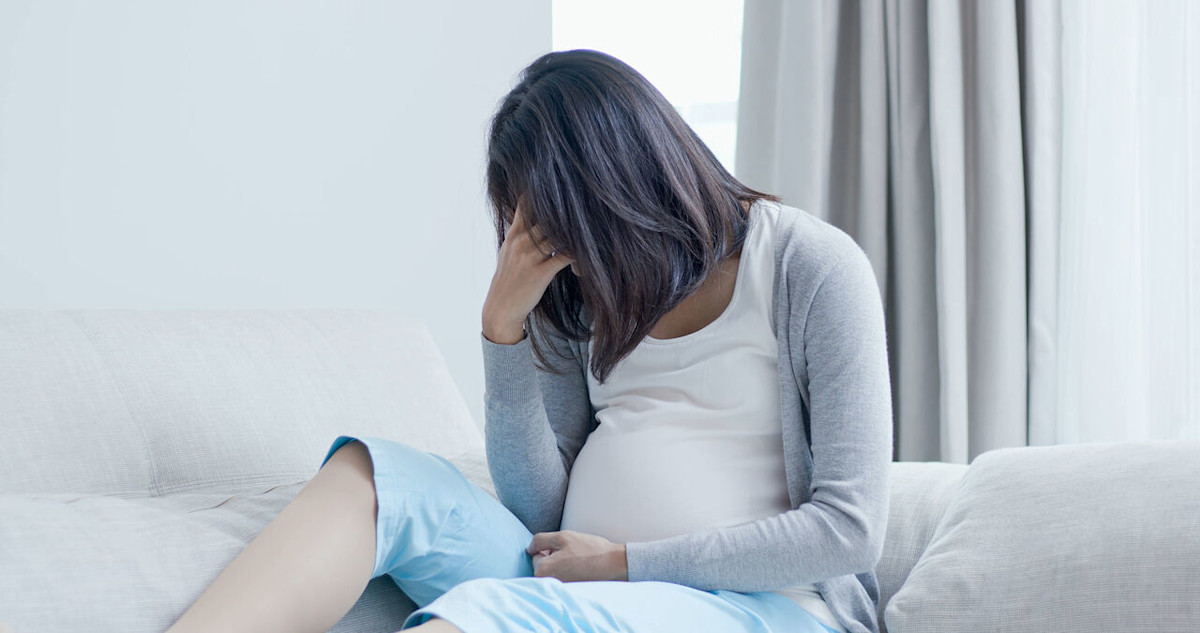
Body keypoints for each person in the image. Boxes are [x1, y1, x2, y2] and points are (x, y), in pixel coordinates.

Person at [166, 48, 892, 633]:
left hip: (764, 607)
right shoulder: (582, 285)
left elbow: (850, 530)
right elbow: (542, 510)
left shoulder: (812, 270)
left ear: (630, 186)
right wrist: (502, 329)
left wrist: (624, 563)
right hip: (571, 575)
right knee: (377, 477)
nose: (568, 257)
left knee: (500, 613)